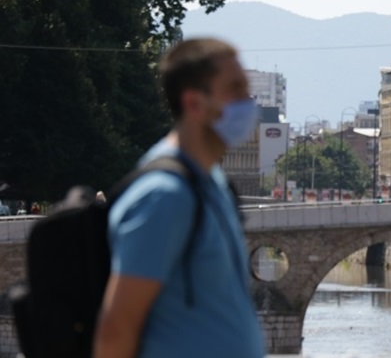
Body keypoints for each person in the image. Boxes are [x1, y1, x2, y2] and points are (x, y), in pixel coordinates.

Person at [94, 39, 265, 358]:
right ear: (194, 102)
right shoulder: (164, 197)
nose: (248, 103)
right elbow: (116, 330)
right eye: (235, 89)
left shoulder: (211, 183)